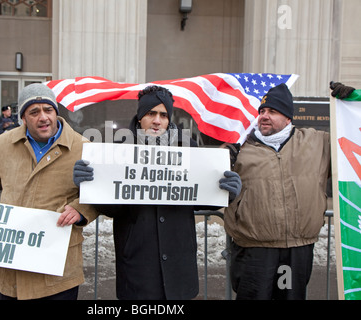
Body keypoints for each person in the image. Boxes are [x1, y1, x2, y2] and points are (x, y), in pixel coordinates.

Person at [73, 85, 242, 300]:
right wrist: (89, 184)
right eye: (151, 113)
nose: (157, 121)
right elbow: (109, 207)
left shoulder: (187, 149)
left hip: (178, 266)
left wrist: (226, 192)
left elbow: (202, 198)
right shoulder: (118, 151)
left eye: (163, 115)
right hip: (137, 267)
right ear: (140, 116)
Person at [0, 83, 98, 300]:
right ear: (23, 117)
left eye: (48, 110)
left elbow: (98, 190)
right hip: (10, 268)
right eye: (34, 112)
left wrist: (80, 209)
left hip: (56, 269)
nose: (43, 117)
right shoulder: (5, 143)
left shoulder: (83, 146)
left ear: (56, 112)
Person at [224, 83, 332, 300]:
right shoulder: (238, 148)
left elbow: (352, 136)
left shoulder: (317, 142)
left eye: (272, 111)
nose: (264, 116)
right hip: (254, 250)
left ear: (288, 118)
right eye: (262, 111)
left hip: (296, 250)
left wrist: (350, 102)